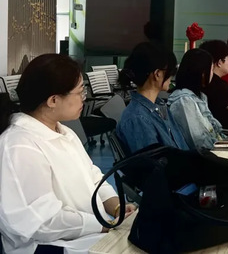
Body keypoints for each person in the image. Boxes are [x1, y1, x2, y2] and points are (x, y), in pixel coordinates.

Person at [0, 54, 136, 254]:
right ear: (53, 100)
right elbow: (41, 221)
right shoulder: (19, 146)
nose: (84, 98)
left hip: (89, 234)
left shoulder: (64, 132)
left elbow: (93, 176)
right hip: (50, 247)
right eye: (80, 92)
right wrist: (103, 224)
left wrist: (117, 208)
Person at [116, 42, 189, 154]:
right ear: (157, 74)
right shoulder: (137, 119)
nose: (172, 76)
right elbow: (153, 162)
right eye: (171, 71)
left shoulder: (160, 107)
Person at [168, 49, 225, 150]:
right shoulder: (184, 101)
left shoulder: (200, 96)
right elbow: (198, 143)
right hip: (205, 156)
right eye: (211, 69)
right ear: (202, 73)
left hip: (215, 149)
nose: (212, 74)